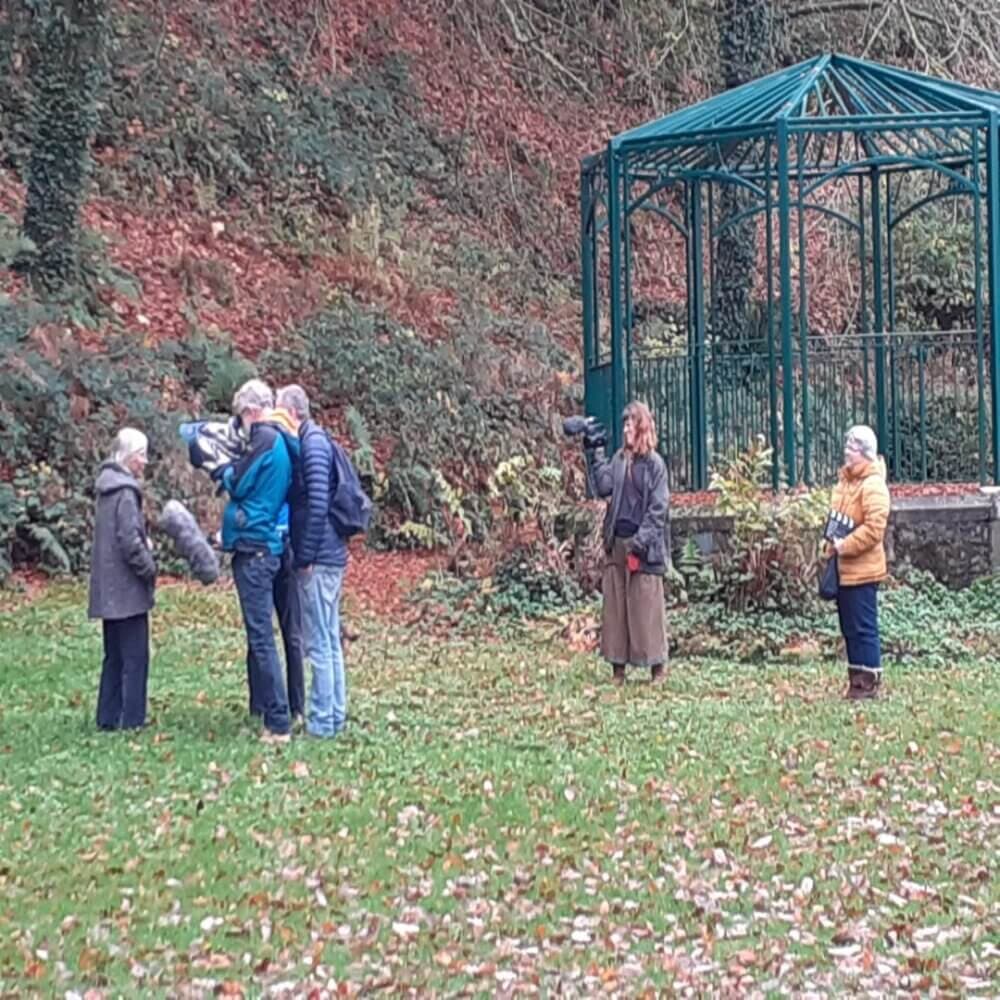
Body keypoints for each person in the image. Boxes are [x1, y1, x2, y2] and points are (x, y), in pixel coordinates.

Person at [215, 379, 294, 743]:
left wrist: (222, 470)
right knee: (263, 634)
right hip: (265, 544)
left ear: (249, 411)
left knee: (261, 637)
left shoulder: (263, 439)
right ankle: (268, 708)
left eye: (240, 416)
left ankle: (277, 721)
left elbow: (239, 483)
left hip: (256, 549)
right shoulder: (278, 439)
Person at [275, 384, 349, 737]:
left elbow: (318, 502)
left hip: (319, 558)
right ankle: (334, 715)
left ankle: (322, 722)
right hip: (328, 554)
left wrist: (303, 555)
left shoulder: (312, 444)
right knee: (329, 639)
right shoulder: (316, 441)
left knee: (320, 643)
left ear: (291, 411)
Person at [587, 401, 669, 686]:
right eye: (624, 424)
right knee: (616, 607)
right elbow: (604, 487)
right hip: (617, 541)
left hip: (644, 546)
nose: (625, 429)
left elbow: (659, 509)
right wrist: (595, 452)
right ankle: (618, 669)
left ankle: (657, 667)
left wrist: (641, 541)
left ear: (642, 427)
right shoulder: (620, 459)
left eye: (630, 424)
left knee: (646, 605)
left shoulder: (655, 465)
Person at [88, 428, 157, 730]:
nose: (145, 461)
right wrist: (149, 566)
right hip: (127, 589)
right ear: (129, 458)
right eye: (142, 455)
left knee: (113, 656)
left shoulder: (106, 488)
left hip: (107, 587)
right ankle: (132, 720)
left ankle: (107, 717)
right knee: (135, 657)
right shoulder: (126, 493)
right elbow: (129, 542)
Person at [828, 424, 890, 701]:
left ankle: (869, 681)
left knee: (864, 627)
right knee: (849, 627)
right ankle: (856, 682)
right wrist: (828, 543)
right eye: (847, 445)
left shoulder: (873, 485)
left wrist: (845, 546)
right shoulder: (845, 483)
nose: (846, 452)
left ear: (865, 453)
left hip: (863, 570)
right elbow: (836, 520)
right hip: (843, 569)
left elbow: (875, 529)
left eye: (852, 448)